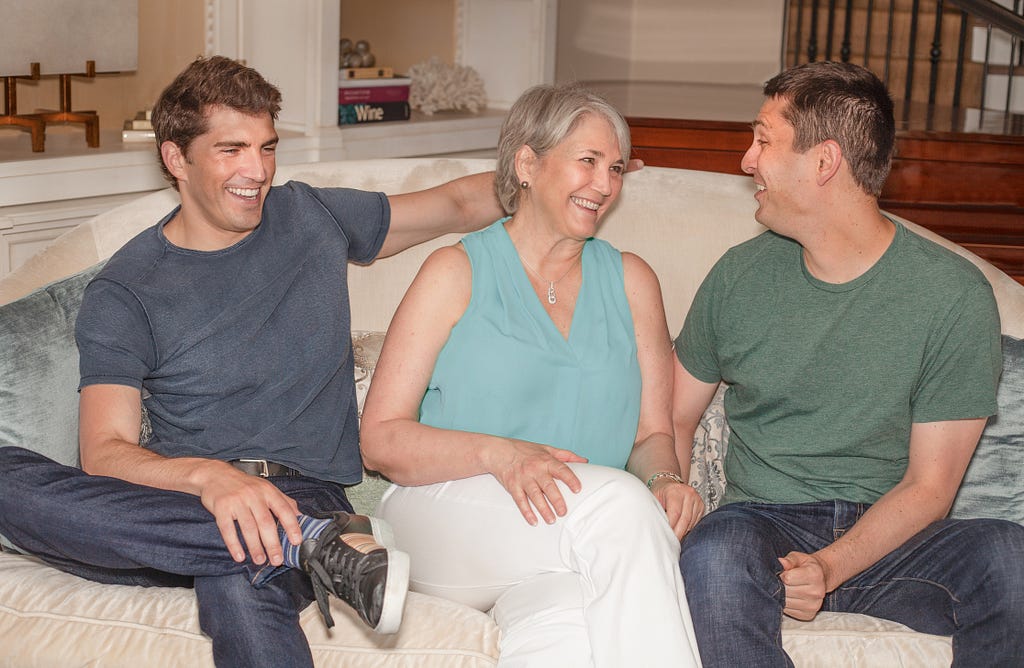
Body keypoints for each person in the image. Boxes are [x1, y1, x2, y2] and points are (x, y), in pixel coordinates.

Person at [0, 56, 504, 668]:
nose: (257, 170)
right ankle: (313, 550)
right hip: (176, 506)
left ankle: (300, 538)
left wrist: (552, 171)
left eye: (266, 147)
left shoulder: (309, 216)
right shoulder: (127, 290)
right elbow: (104, 451)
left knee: (244, 577)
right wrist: (211, 480)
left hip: (301, 493)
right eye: (232, 149)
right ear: (175, 159)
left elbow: (452, 205)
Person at [672, 60, 1024, 667]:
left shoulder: (952, 295)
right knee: (713, 551)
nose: (745, 160)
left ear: (824, 161)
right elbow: (671, 420)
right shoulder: (739, 277)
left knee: (1009, 556)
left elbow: (929, 488)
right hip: (761, 529)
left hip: (898, 539)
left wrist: (830, 567)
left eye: (763, 139)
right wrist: (667, 492)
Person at [359, 82, 703, 667]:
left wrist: (666, 480)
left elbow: (651, 436)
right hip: (445, 515)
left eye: (615, 168)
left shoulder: (632, 281)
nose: (605, 184)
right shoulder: (454, 272)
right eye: (588, 162)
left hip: (567, 535)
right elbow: (381, 438)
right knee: (621, 506)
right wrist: (501, 455)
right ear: (527, 163)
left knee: (567, 631)